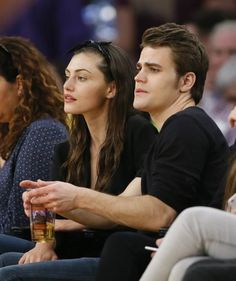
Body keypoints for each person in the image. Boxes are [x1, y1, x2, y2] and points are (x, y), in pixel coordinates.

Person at [0, 22, 229, 281]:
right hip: (127, 252)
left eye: (153, 70)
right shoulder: (170, 130)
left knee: (9, 274)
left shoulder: (179, 126)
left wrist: (74, 200)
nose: (138, 77)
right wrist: (54, 205)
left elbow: (158, 214)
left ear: (186, 81)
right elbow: (118, 208)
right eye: (140, 68)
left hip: (139, 256)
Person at [0, 39, 157, 263]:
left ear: (111, 88)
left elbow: (125, 209)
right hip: (72, 247)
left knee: (7, 271)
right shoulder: (67, 148)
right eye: (67, 75)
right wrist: (43, 242)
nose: (68, 85)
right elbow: (47, 213)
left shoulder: (138, 131)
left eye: (81, 78)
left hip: (113, 254)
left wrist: (68, 218)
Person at [0, 36, 68, 249]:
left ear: (19, 84)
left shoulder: (43, 132)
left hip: (29, 246)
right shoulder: (14, 134)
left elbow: (22, 222)